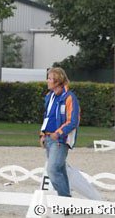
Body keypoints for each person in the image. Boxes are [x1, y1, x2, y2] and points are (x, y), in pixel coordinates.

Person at [39, 67, 80, 197]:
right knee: (60, 171)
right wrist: (42, 134)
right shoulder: (49, 97)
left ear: (58, 81)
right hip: (49, 138)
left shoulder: (70, 98)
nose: (47, 81)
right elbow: (47, 117)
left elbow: (73, 121)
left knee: (52, 170)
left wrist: (59, 133)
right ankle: (67, 202)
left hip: (60, 140)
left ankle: (65, 200)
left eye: (50, 78)